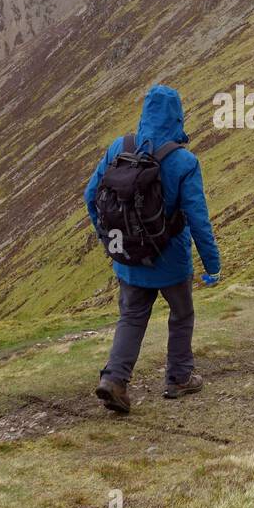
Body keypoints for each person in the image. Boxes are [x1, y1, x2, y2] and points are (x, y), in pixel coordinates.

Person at [84, 84, 221, 414]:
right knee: (182, 314)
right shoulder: (184, 161)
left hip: (129, 259)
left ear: (145, 112)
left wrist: (110, 240)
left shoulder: (120, 146)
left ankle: (114, 380)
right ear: (177, 116)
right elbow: (198, 219)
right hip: (170, 260)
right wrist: (212, 264)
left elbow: (92, 197)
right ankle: (178, 378)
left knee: (131, 317)